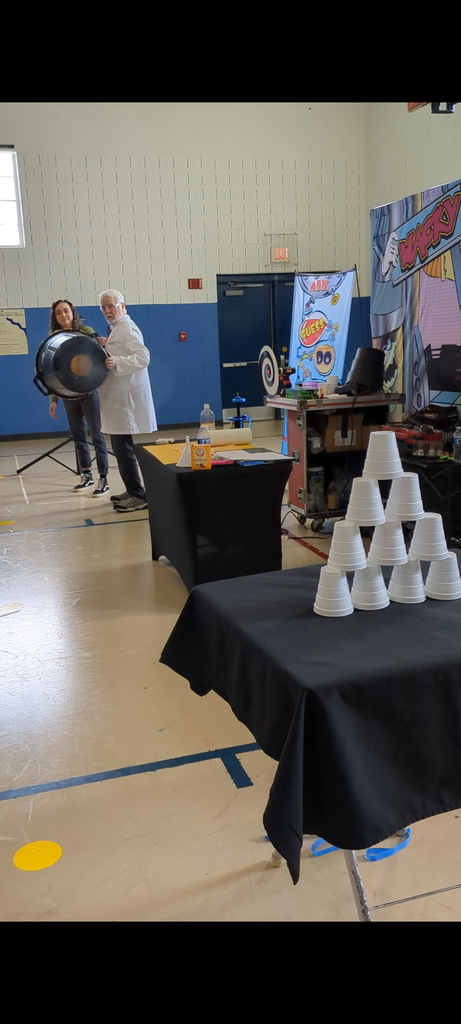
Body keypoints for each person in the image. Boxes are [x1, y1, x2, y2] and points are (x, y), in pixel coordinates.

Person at [98, 289, 157, 512]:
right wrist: (107, 345)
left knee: (124, 450)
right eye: (103, 307)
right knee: (120, 449)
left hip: (126, 401)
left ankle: (138, 495)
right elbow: (120, 350)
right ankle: (132, 488)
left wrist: (117, 363)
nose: (107, 311)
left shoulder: (128, 327)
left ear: (123, 305)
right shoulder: (116, 329)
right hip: (117, 399)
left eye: (111, 306)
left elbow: (143, 357)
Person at [48, 300, 110, 495]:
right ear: (55, 317)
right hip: (68, 393)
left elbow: (101, 357)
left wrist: (104, 344)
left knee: (97, 436)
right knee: (79, 437)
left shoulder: (86, 330)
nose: (63, 315)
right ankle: (86, 476)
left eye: (66, 311)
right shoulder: (54, 338)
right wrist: (54, 400)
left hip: (89, 391)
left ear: (72, 313)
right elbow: (53, 372)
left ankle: (103, 479)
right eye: (59, 312)